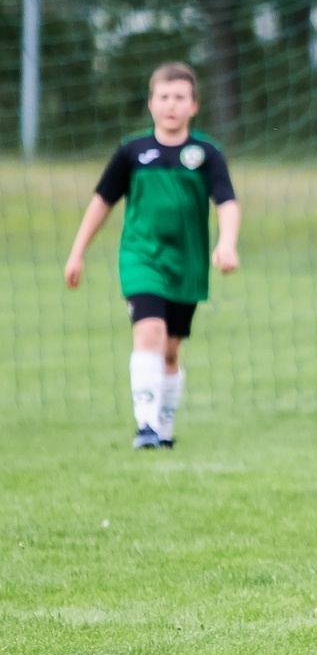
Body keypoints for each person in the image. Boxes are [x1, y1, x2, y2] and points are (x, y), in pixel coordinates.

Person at [63, 62, 240, 449]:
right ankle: (145, 427)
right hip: (141, 257)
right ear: (150, 104)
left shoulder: (207, 153)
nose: (170, 105)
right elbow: (101, 202)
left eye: (179, 98)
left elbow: (226, 201)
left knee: (171, 351)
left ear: (194, 106)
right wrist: (77, 253)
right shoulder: (132, 151)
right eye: (163, 97)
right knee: (149, 333)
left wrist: (226, 243)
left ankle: (163, 426)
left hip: (187, 264)